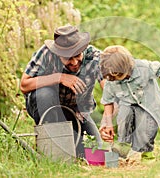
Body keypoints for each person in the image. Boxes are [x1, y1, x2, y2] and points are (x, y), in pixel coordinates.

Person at [19, 25, 104, 157]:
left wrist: (108, 118)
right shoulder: (46, 53)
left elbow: (109, 88)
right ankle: (50, 145)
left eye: (77, 55)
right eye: (69, 58)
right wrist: (58, 78)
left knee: (95, 150)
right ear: (58, 54)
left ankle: (67, 148)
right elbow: (24, 85)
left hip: (77, 111)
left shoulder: (95, 56)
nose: (75, 62)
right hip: (47, 106)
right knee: (45, 93)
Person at [98, 45, 160, 162]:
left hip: (149, 105)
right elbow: (108, 102)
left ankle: (147, 154)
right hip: (128, 103)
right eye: (113, 78)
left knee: (146, 128)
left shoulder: (143, 68)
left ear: (127, 66)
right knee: (123, 117)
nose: (117, 80)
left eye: (119, 76)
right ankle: (122, 149)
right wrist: (109, 124)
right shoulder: (111, 80)